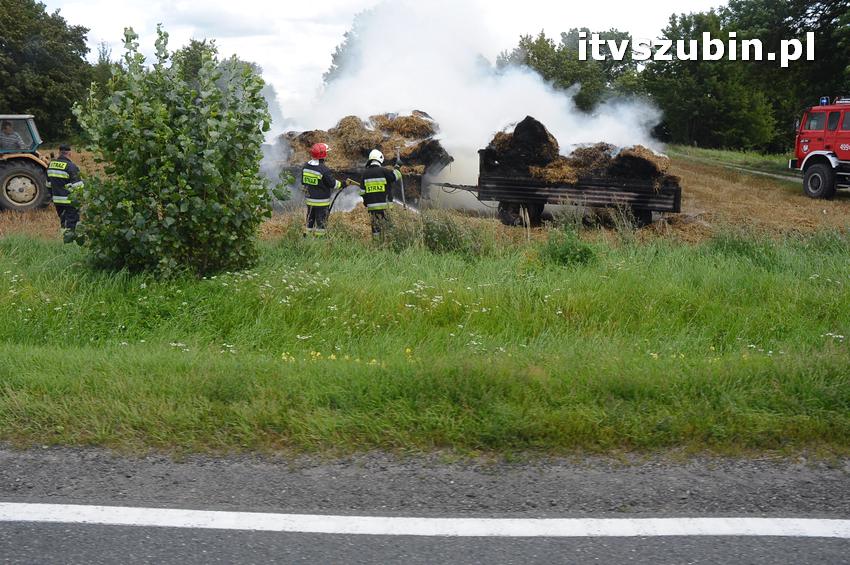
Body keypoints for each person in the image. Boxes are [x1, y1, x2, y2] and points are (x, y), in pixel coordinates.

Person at [301, 143, 342, 237]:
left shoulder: (305, 167)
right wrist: (342, 184)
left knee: (309, 222)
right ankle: (320, 241)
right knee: (321, 224)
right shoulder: (324, 170)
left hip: (309, 201)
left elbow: (303, 182)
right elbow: (333, 184)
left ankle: (306, 239)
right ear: (323, 155)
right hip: (321, 203)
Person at [359, 149, 402, 238]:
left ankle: (377, 243)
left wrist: (366, 203)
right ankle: (388, 242)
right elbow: (396, 176)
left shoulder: (365, 174)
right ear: (380, 159)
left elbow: (362, 192)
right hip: (386, 207)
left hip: (372, 208)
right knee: (388, 227)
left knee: (375, 229)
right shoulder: (384, 171)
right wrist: (398, 167)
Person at [47, 144, 84, 236]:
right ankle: (70, 240)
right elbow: (78, 187)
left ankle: (64, 238)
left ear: (59, 152)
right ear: (70, 153)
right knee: (72, 224)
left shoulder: (51, 165)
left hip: (57, 201)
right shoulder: (71, 166)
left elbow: (48, 184)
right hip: (69, 201)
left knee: (63, 222)